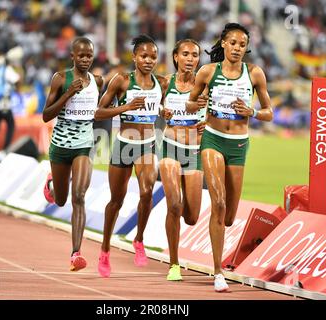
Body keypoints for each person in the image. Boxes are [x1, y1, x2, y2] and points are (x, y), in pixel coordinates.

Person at [187, 23, 273, 292]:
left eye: (242, 44)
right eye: (233, 43)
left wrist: (253, 112)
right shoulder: (207, 71)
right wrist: (197, 103)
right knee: (219, 202)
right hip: (212, 139)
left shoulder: (254, 73)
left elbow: (270, 111)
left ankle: (219, 243)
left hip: (238, 144)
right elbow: (190, 102)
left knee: (229, 216)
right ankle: (218, 272)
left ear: (246, 48)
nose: (237, 48)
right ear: (223, 43)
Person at [94, 34, 167, 277]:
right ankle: (105, 250)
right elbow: (98, 112)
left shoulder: (162, 83)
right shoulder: (122, 81)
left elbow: (163, 108)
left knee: (147, 192)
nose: (149, 60)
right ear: (134, 57)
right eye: (144, 56)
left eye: (153, 56)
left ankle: (139, 240)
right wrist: (126, 107)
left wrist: (164, 112)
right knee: (117, 200)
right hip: (124, 144)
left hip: (147, 145)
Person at [42, 37, 103, 271]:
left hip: (84, 145)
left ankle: (76, 253)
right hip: (60, 145)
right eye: (81, 55)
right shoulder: (61, 78)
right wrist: (67, 94)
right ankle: (52, 185)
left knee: (79, 196)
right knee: (61, 200)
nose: (86, 59)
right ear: (72, 57)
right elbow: (46, 115)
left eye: (89, 55)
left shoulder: (98, 80)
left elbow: (102, 108)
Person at [160, 39, 208, 281]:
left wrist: (207, 123)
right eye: (186, 54)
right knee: (174, 205)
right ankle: (174, 264)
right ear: (176, 57)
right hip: (170, 147)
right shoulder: (165, 82)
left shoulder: (206, 84)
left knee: (191, 217)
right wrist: (162, 112)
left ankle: (176, 228)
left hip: (195, 152)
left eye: (195, 55)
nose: (191, 59)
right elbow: (153, 107)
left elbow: (217, 114)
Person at [0, 54, 20, 150]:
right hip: (4, 101)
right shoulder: (6, 70)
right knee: (11, 125)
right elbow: (17, 80)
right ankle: (6, 148)